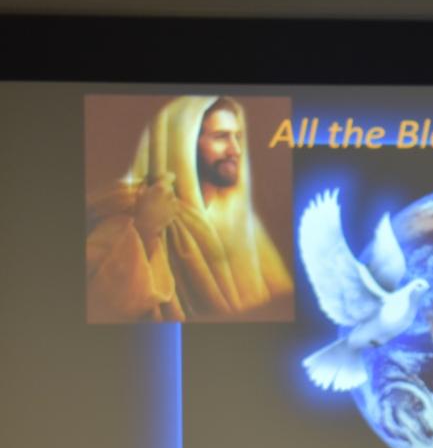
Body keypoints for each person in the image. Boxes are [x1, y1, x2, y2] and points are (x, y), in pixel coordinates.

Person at [86, 95, 293, 322]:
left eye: (238, 137)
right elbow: (103, 307)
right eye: (221, 137)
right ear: (183, 143)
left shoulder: (240, 224)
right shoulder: (128, 214)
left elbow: (279, 301)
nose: (235, 150)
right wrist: (146, 229)